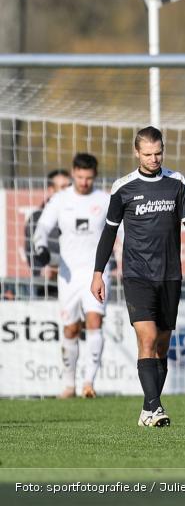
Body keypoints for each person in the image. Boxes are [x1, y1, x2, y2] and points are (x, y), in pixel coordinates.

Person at [92, 126, 185, 427]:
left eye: (158, 153)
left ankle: (147, 409)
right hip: (137, 274)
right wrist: (98, 273)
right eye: (148, 154)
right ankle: (156, 409)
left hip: (170, 274)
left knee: (162, 346)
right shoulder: (123, 188)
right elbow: (109, 233)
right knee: (148, 337)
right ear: (137, 153)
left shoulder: (177, 182)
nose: (154, 159)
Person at [32, 153, 112, 399]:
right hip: (68, 274)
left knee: (95, 322)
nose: (84, 182)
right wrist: (41, 247)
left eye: (88, 178)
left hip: (97, 271)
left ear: (95, 176)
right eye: (80, 177)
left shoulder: (106, 199)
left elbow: (122, 231)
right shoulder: (60, 199)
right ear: (73, 173)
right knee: (70, 329)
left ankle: (89, 383)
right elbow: (43, 227)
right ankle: (69, 385)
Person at [24, 169, 71, 297]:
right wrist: (45, 268)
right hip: (47, 284)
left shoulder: (78, 215)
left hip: (77, 279)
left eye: (69, 186)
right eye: (63, 187)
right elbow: (31, 251)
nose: (68, 191)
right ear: (50, 190)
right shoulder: (37, 218)